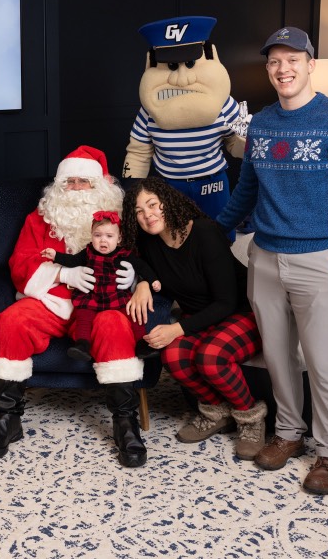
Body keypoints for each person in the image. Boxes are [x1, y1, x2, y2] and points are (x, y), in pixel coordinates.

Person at [214, 27, 328, 495]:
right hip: (265, 255)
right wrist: (218, 226)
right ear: (268, 70)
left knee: (323, 361)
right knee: (278, 355)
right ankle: (288, 433)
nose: (282, 69)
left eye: (292, 60)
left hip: (319, 259)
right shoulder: (261, 124)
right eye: (274, 63)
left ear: (310, 65)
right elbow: (248, 187)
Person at [0, 146, 150, 468]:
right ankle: (7, 417)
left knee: (114, 327)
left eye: (83, 182)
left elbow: (148, 257)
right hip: (52, 300)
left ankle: (125, 422)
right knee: (11, 321)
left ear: (100, 185)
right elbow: (20, 261)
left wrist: (136, 277)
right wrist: (61, 271)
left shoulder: (122, 218)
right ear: (58, 186)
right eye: (68, 182)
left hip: (104, 304)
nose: (75, 189)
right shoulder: (40, 218)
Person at [122, 176, 268, 460]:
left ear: (168, 202)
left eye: (152, 204)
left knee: (210, 357)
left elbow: (225, 302)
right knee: (173, 356)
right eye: (139, 211)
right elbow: (140, 263)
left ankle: (251, 420)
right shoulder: (150, 243)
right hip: (201, 318)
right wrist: (142, 281)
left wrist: (177, 328)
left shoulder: (204, 232)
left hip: (242, 313)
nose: (148, 215)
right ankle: (217, 413)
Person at [122, 16, 246, 238]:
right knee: (174, 236)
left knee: (219, 234)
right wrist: (133, 193)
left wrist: (248, 141)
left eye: (190, 63)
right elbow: (139, 152)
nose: (182, 78)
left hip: (212, 183)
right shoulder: (149, 111)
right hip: (169, 185)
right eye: (171, 65)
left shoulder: (224, 104)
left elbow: (234, 143)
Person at [41, 210, 161, 362]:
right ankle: (82, 344)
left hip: (115, 294)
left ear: (119, 238)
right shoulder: (89, 252)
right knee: (83, 314)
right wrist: (56, 256)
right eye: (98, 235)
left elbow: (142, 266)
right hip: (92, 294)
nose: (103, 241)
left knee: (133, 313)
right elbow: (72, 260)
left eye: (109, 236)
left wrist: (153, 280)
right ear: (92, 236)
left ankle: (141, 344)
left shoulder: (124, 254)